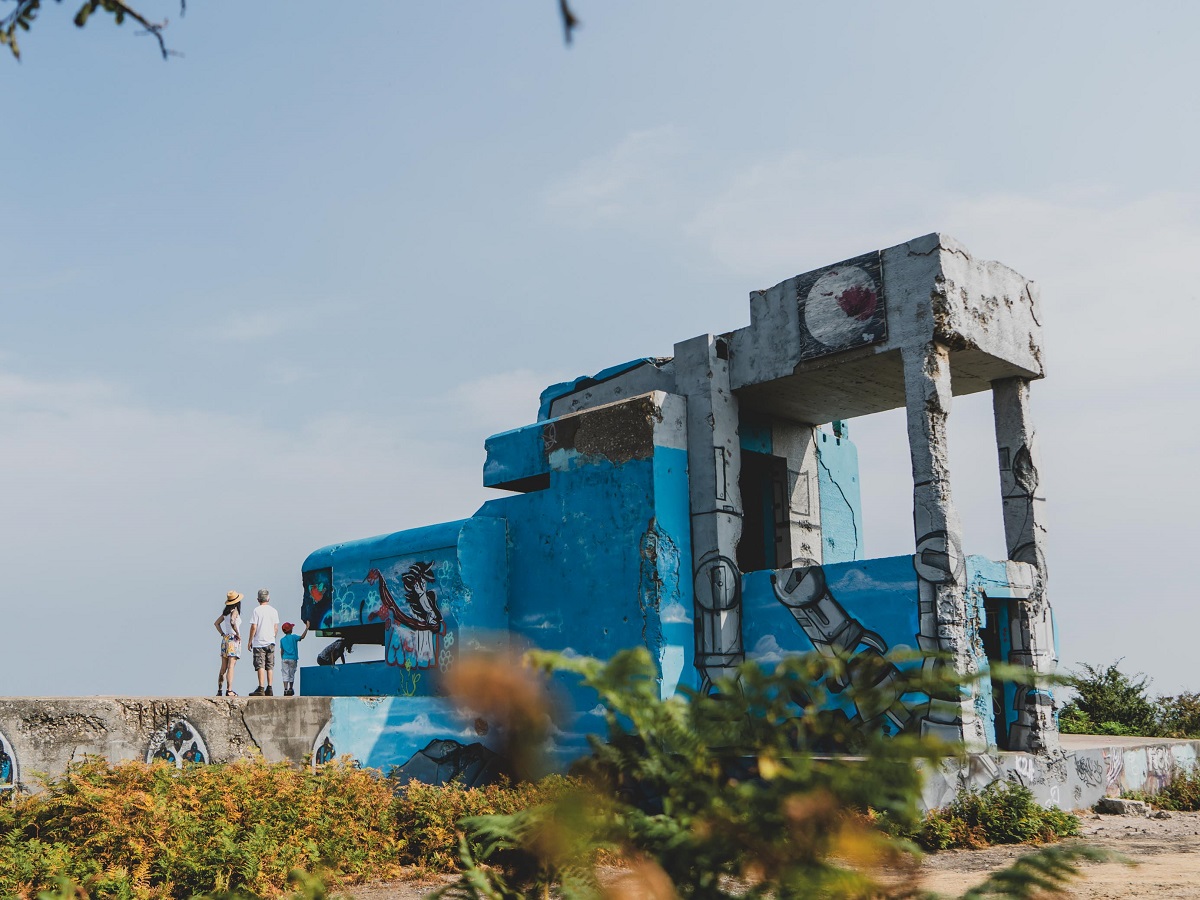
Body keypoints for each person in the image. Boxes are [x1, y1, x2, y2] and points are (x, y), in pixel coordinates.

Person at [247, 588, 281, 697]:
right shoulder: (274, 611)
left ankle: (261, 687)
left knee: (260, 664)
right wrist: (273, 636)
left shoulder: (256, 610)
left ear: (258, 599)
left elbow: (253, 626)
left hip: (259, 642)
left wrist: (250, 640)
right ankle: (270, 687)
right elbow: (276, 627)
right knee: (270, 665)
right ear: (268, 598)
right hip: (271, 641)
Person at [213, 591, 242, 696]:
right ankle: (229, 690)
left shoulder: (225, 613)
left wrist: (222, 633)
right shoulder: (235, 611)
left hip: (225, 639)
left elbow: (216, 623)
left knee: (223, 667)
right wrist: (238, 633)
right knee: (231, 666)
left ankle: (219, 689)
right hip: (233, 640)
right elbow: (233, 622)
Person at [278, 620, 309, 696]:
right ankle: (290, 688)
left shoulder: (282, 640)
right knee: (291, 674)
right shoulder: (294, 637)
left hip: (285, 658)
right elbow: (302, 637)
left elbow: (281, 651)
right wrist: (307, 628)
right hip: (293, 658)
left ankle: (285, 689)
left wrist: (282, 658)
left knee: (285, 674)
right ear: (291, 629)